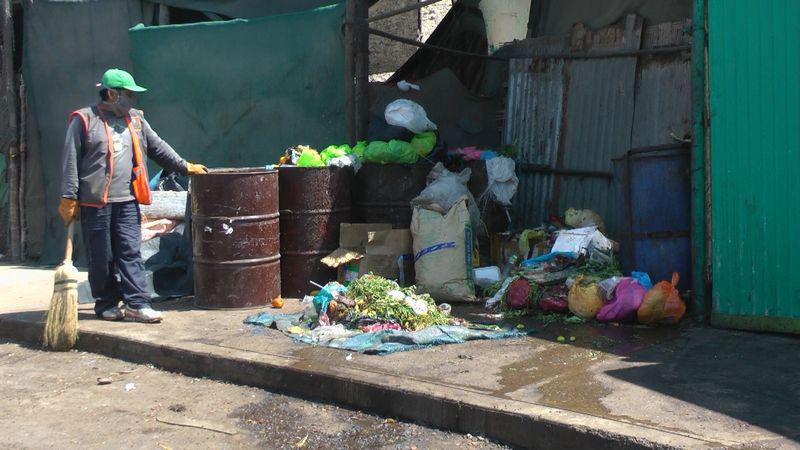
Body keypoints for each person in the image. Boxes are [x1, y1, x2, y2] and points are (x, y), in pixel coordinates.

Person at [59, 68, 208, 323]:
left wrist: (185, 166)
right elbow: (70, 160)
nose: (133, 100)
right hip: (95, 203)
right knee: (101, 256)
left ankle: (137, 303)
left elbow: (158, 148)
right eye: (128, 94)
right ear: (111, 94)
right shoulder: (84, 121)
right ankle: (106, 303)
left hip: (127, 201)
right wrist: (69, 196)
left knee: (130, 251)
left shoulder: (136, 120)